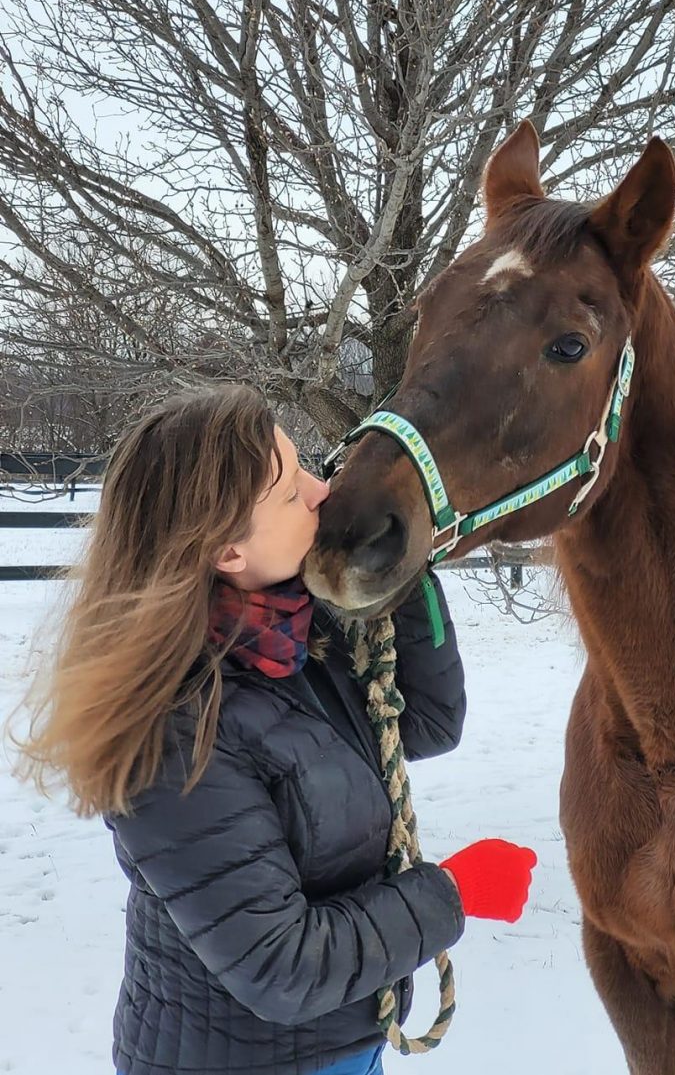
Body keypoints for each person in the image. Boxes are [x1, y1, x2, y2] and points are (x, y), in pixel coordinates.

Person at [13, 385, 537, 1075]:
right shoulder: (175, 732)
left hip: (337, 1047)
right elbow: (282, 964)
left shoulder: (286, 642)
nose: (321, 493)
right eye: (291, 490)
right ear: (228, 549)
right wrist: (454, 894)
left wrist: (404, 566)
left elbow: (425, 722)